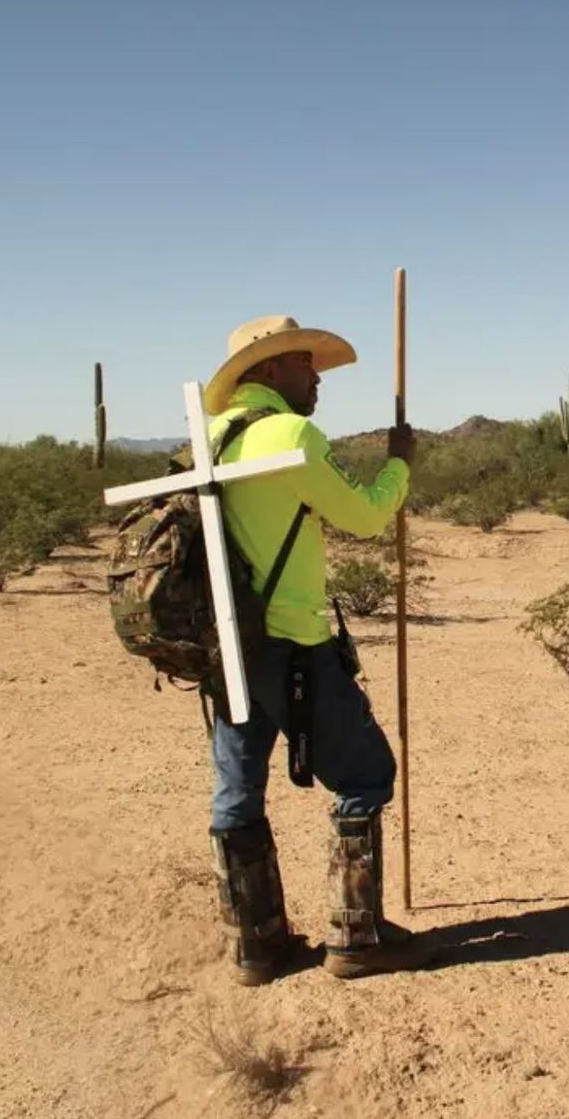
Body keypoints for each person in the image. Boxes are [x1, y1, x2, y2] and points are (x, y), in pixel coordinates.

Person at [200, 313, 433, 984]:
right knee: (364, 776)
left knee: (237, 791)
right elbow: (363, 516)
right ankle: (356, 938)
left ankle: (257, 944)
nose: (317, 379)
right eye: (306, 364)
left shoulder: (207, 440)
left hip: (226, 648)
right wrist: (398, 466)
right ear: (270, 370)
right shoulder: (291, 433)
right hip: (294, 644)